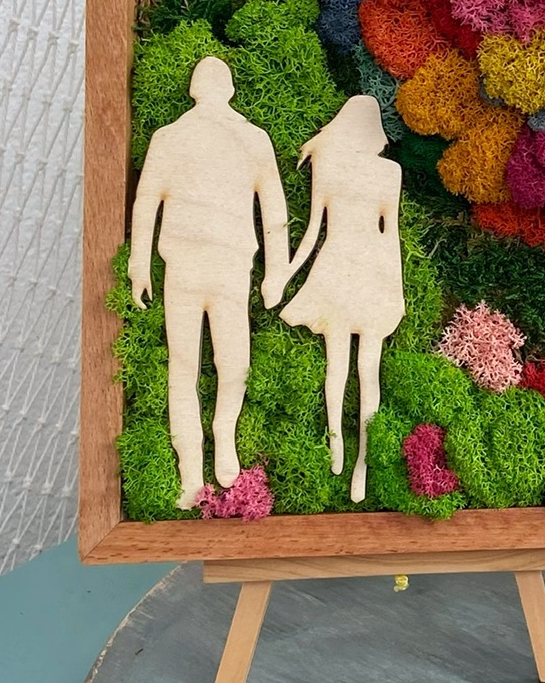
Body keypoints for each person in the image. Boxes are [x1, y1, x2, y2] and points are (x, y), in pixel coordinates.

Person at [129, 57, 290, 509]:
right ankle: (192, 469)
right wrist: (139, 263)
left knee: (215, 364)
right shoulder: (172, 138)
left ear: (195, 89)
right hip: (194, 265)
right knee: (203, 363)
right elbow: (147, 201)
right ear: (228, 89)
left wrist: (276, 271)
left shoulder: (248, 139)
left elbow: (273, 207)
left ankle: (220, 441)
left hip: (223, 266)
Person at [277, 94, 406, 503]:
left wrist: (286, 274)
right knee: (366, 370)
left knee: (342, 368)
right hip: (369, 271)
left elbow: (312, 233)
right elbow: (390, 236)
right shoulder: (386, 172)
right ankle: (355, 460)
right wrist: (395, 290)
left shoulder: (333, 167)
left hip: (343, 269)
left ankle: (344, 451)